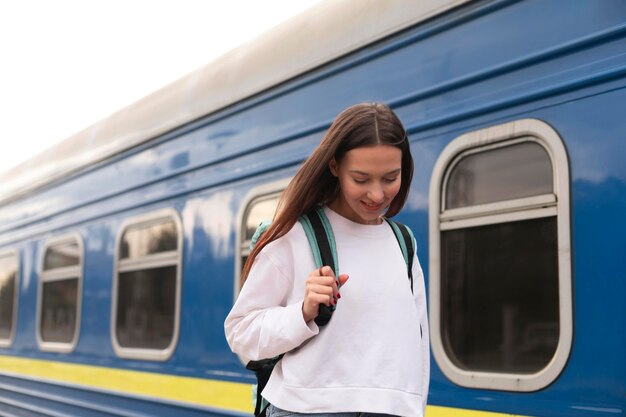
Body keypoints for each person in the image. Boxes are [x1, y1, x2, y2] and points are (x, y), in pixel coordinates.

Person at [224, 103, 429, 417]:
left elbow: (418, 344)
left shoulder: (404, 243)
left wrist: (415, 408)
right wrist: (303, 312)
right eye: (361, 179)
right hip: (307, 410)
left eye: (390, 178)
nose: (377, 195)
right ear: (334, 167)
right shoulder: (293, 234)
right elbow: (241, 333)